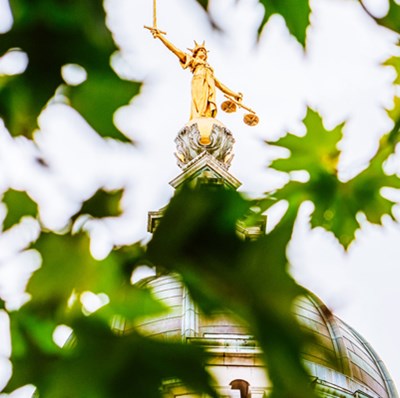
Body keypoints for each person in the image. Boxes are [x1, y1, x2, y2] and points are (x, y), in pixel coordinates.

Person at [148, 28, 243, 120]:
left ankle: (205, 117)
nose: (204, 53)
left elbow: (221, 86)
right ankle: (199, 117)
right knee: (198, 104)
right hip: (198, 81)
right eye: (201, 50)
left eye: (205, 52)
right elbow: (175, 50)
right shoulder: (193, 61)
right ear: (195, 53)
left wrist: (235, 95)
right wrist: (160, 36)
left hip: (208, 86)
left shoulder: (208, 70)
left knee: (206, 108)